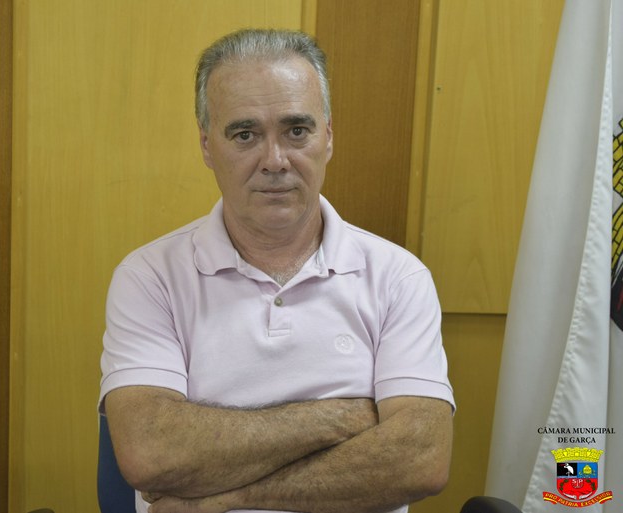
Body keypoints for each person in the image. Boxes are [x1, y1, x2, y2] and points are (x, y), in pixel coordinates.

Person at [99, 28, 455, 513]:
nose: (274, 161)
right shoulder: (150, 276)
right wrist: (340, 418)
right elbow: (152, 453)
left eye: (297, 131)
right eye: (245, 135)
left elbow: (420, 460)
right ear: (207, 146)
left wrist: (232, 495)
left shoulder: (398, 277)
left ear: (328, 137)